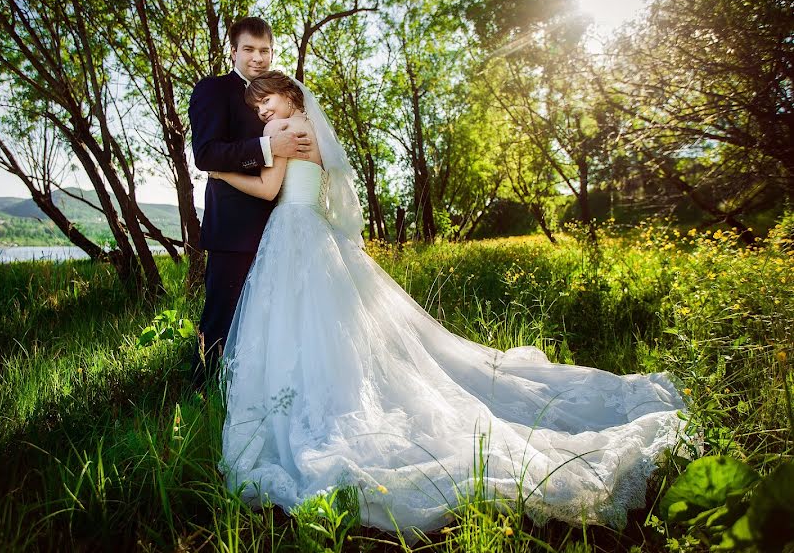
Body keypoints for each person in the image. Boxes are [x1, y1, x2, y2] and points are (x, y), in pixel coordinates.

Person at [212, 71, 687, 538]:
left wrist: (219, 171)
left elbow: (269, 190)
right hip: (316, 232)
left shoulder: (279, 131)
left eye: (266, 101)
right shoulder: (313, 130)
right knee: (330, 330)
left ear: (288, 95)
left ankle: (298, 404)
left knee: (298, 329)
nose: (262, 111)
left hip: (293, 232)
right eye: (256, 107)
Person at [188, 18, 311, 386]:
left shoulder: (279, 94)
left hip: (283, 226)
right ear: (233, 51)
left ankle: (255, 388)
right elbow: (206, 154)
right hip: (234, 227)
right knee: (221, 318)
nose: (258, 58)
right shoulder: (214, 90)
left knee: (270, 320)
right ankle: (205, 392)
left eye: (265, 50)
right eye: (249, 49)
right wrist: (269, 147)